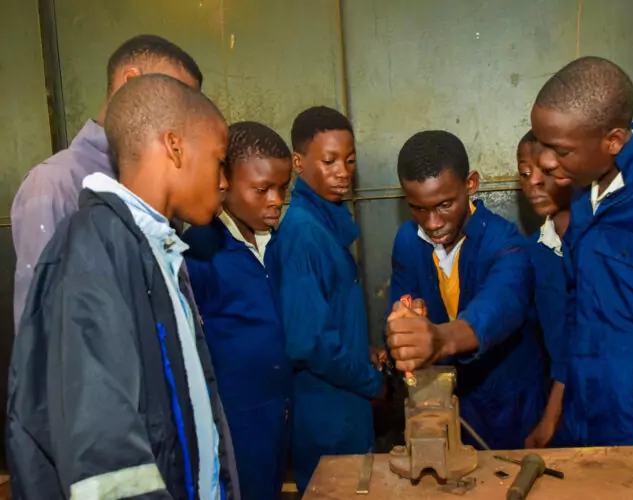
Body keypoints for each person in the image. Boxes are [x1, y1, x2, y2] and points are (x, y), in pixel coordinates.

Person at [7, 74, 239, 499]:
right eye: (219, 160)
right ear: (175, 146)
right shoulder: (93, 249)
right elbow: (104, 455)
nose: (224, 181)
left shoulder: (154, 248)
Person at [531, 56, 633, 449]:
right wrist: (554, 415)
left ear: (614, 141)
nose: (544, 161)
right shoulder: (584, 197)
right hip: (586, 421)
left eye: (560, 150)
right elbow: (576, 316)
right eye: (541, 143)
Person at [11, 34, 204, 332]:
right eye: (176, 98)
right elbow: (44, 330)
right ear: (130, 81)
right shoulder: (55, 184)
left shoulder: (160, 178)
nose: (185, 118)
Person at [385, 130, 546, 450]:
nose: (432, 223)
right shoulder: (407, 241)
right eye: (418, 208)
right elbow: (399, 308)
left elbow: (500, 307)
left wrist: (440, 339)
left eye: (444, 205)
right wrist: (402, 331)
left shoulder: (505, 242)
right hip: (445, 403)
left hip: (510, 406)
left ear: (470, 184)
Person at [266, 106, 384, 492]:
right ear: (298, 163)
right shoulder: (304, 233)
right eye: (329, 161)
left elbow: (328, 315)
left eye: (349, 160)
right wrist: (372, 382)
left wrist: (361, 349)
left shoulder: (326, 224)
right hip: (328, 416)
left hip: (344, 406)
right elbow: (307, 342)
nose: (343, 172)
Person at [183, 121, 293, 499]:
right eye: (262, 189)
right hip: (235, 420)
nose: (276, 200)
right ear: (225, 182)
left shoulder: (277, 242)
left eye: (283, 188)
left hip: (280, 408)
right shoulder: (200, 249)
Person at [516, 130, 574, 449]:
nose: (534, 182)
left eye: (546, 170)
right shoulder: (533, 254)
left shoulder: (604, 243)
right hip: (565, 407)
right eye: (525, 174)